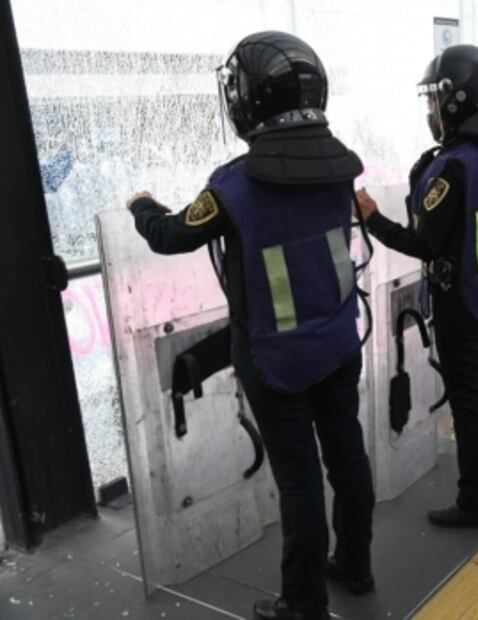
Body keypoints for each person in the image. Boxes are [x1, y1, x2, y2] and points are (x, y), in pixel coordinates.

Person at [127, 32, 375, 620]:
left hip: (274, 358)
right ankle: (357, 566)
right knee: (347, 456)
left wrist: (141, 204)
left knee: (299, 481)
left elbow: (170, 235)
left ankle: (304, 604)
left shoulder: (234, 184)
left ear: (250, 101)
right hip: (340, 340)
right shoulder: (342, 164)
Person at [357, 44, 478, 526]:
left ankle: (474, 501)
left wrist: (372, 220)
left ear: (455, 103)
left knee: (469, 400)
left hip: (463, 300)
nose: (431, 111)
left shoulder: (450, 167)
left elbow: (424, 244)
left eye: (435, 101)